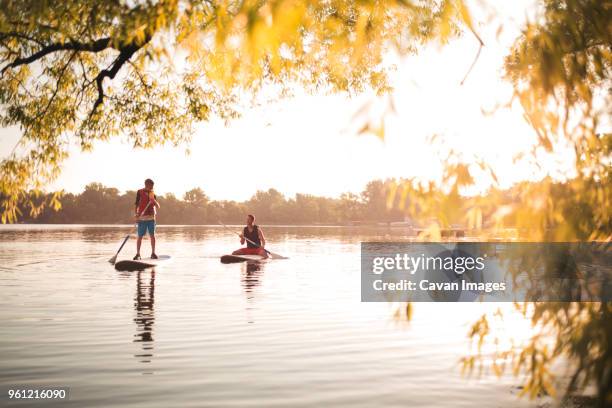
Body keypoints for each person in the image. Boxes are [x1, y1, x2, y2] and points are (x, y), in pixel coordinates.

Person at [134, 178, 160, 260]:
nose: (152, 188)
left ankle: (153, 253)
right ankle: (138, 254)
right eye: (151, 186)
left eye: (152, 186)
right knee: (140, 236)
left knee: (152, 235)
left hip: (151, 218)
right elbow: (136, 204)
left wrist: (154, 201)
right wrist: (136, 215)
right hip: (142, 218)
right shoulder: (139, 192)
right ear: (146, 185)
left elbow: (158, 206)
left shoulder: (153, 193)